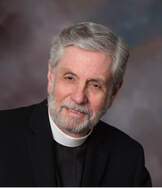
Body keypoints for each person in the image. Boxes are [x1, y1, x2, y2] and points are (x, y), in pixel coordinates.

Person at [0, 22, 152, 186]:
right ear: (51, 76)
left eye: (95, 85)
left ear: (113, 92)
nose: (79, 98)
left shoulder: (129, 157)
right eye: (70, 78)